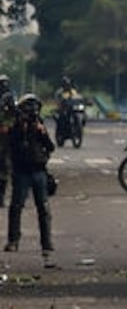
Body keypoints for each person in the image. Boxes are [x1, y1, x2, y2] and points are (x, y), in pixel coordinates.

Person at [5, 94, 54, 259]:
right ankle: (13, 240)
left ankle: (46, 243)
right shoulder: (16, 127)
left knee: (43, 208)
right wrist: (20, 129)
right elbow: (9, 144)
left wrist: (42, 132)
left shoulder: (39, 126)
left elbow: (50, 147)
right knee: (16, 206)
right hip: (21, 172)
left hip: (38, 171)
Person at [0, 75, 14, 207]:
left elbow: (13, 115)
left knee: (5, 166)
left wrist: (7, 125)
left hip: (5, 138)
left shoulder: (9, 98)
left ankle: (1, 196)